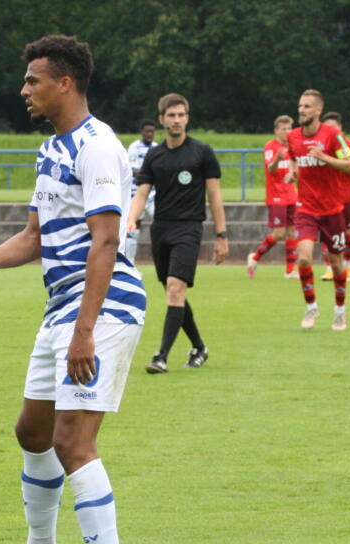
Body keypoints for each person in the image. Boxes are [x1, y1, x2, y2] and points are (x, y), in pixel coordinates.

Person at [0, 34, 145, 544]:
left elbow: (107, 240)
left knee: (73, 441)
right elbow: (34, 238)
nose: (24, 89)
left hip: (99, 307)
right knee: (33, 432)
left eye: (33, 80)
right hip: (63, 307)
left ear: (65, 84)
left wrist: (84, 329)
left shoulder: (99, 146)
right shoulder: (52, 149)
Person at [128, 93, 227, 372]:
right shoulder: (154, 156)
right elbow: (142, 192)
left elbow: (215, 197)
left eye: (181, 115)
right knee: (175, 293)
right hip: (161, 230)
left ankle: (161, 356)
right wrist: (131, 219)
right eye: (171, 115)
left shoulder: (202, 152)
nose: (177, 120)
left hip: (189, 228)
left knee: (174, 288)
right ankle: (199, 346)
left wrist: (222, 236)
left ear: (187, 118)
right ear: (162, 119)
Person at [286, 90, 350, 331]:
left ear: (317, 111)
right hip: (305, 209)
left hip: (332, 211)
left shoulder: (334, 135)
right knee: (303, 257)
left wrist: (324, 157)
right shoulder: (293, 136)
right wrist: (292, 170)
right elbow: (293, 156)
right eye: (300, 106)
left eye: (306, 107)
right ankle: (311, 306)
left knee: (337, 265)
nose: (301, 110)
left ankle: (340, 311)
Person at [246, 114, 299, 279]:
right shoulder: (271, 146)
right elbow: (270, 168)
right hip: (276, 196)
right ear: (276, 131)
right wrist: (277, 159)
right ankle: (255, 258)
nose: (287, 132)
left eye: (289, 128)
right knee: (278, 233)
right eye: (283, 129)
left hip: (292, 195)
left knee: (292, 233)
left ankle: (290, 270)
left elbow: (297, 168)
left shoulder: (294, 146)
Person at [319, 112, 350, 282]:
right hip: (326, 196)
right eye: (328, 127)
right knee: (326, 233)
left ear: (340, 128)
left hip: (345, 196)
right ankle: (329, 268)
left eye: (334, 126)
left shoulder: (348, 145)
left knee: (347, 231)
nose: (331, 130)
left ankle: (347, 266)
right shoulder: (321, 146)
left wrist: (345, 164)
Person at [124, 119, 157, 264]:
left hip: (154, 194)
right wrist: (151, 173)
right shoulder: (134, 148)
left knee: (164, 223)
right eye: (147, 131)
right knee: (134, 228)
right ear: (142, 132)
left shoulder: (157, 148)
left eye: (152, 131)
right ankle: (130, 262)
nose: (149, 134)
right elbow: (133, 170)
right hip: (137, 193)